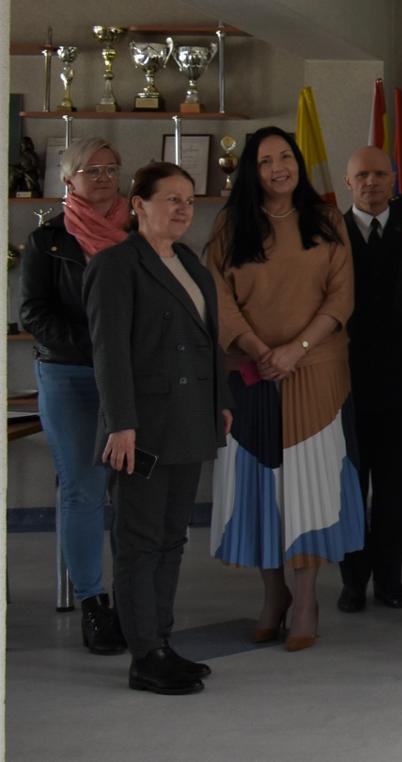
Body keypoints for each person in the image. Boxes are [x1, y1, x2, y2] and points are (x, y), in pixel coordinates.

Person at [205, 127, 363, 653]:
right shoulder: (231, 226)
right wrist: (257, 349)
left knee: (309, 490)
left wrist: (296, 349)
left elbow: (341, 298)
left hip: (315, 372)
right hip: (250, 375)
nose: (279, 168)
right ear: (253, 172)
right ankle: (273, 595)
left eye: (286, 157)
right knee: (261, 488)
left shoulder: (327, 220)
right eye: (266, 161)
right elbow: (219, 299)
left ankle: (307, 599)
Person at [86, 161, 231, 694]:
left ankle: (162, 643)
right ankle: (144, 655)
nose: (182, 209)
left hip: (188, 422)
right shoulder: (116, 265)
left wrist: (221, 401)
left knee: (171, 540)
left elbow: (209, 340)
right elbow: (109, 353)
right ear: (138, 205)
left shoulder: (189, 262)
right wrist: (121, 424)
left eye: (188, 201)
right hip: (141, 429)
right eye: (171, 199)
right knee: (139, 542)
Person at [20, 138, 129, 654]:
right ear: (68, 181)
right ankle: (92, 602)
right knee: (84, 489)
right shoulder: (48, 240)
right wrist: (96, 346)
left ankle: (134, 599)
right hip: (71, 375)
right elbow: (34, 313)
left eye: (111, 168)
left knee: (132, 492)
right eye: (92, 170)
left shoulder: (138, 231)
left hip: (130, 377)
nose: (104, 177)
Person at [338, 146, 402, 613]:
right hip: (343, 382)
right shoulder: (329, 234)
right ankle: (353, 580)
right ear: (348, 182)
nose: (371, 182)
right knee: (348, 488)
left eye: (379, 174)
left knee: (394, 489)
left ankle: (389, 578)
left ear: (393, 179)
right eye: (361, 175)